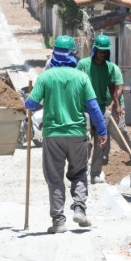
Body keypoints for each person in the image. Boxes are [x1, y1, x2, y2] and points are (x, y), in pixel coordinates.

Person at [25, 35, 108, 233]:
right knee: (79, 173)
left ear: (54, 53)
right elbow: (93, 107)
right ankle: (79, 208)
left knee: (54, 178)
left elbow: (31, 104)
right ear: (73, 54)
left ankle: (59, 222)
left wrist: (28, 97)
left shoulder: (45, 77)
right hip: (77, 133)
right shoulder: (81, 77)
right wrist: (102, 131)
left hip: (53, 135)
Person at [76, 34, 123, 184]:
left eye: (105, 51)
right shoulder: (83, 64)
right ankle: (81, 172)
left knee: (100, 142)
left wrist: (117, 105)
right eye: (100, 51)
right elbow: (75, 85)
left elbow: (112, 88)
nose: (102, 54)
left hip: (101, 109)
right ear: (95, 49)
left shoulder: (109, 67)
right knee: (84, 142)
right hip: (84, 108)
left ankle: (95, 173)